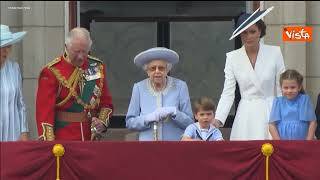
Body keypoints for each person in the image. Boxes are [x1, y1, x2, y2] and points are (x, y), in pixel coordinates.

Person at [214, 6, 286, 140]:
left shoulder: (275, 52)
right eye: (244, 32)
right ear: (239, 34)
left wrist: (285, 115)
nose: (248, 36)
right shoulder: (232, 57)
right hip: (246, 114)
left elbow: (281, 88)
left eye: (252, 32)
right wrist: (218, 119)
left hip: (271, 112)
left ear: (260, 31)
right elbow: (228, 92)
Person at [36, 27, 113, 141]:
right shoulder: (52, 71)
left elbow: (106, 103)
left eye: (85, 51)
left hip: (91, 138)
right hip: (64, 138)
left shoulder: (97, 67)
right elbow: (44, 113)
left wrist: (101, 122)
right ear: (66, 47)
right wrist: (49, 144)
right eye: (76, 51)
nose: (81, 56)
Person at [126, 47, 194, 141]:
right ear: (147, 71)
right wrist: (147, 118)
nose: (157, 71)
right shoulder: (138, 88)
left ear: (167, 70)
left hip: (174, 146)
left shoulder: (180, 86)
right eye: (153, 68)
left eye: (161, 68)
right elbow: (130, 123)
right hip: (147, 148)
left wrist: (175, 112)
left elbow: (190, 123)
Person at [268, 69, 317, 140]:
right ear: (281, 88)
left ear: (299, 87)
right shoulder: (278, 102)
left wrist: (308, 142)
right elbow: (272, 125)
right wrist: (278, 142)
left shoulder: (304, 100)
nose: (289, 91)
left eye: (293, 87)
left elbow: (313, 122)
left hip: (302, 142)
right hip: (282, 142)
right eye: (286, 88)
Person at [0, 24, 29, 141]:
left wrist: (24, 131)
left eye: (9, 46)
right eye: (3, 46)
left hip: (13, 134)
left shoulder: (14, 68)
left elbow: (20, 103)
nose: (6, 50)